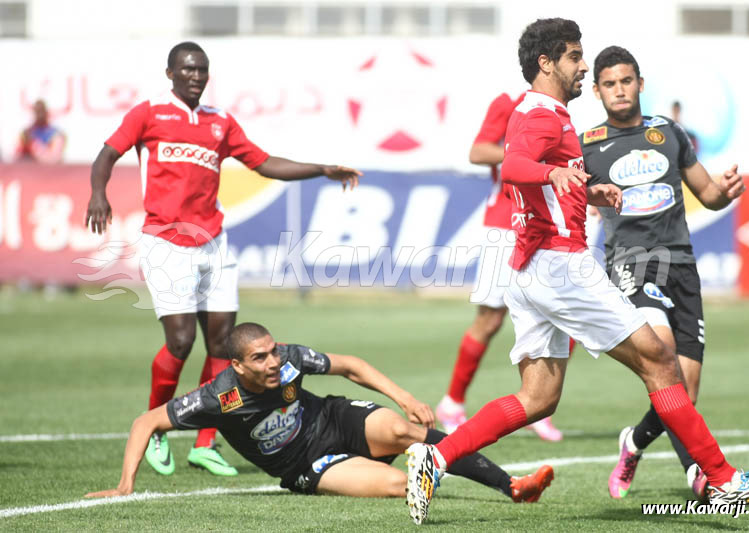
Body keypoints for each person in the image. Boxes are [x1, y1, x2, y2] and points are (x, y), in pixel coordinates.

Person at [404, 18, 749, 525]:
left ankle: (436, 457)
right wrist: (554, 171)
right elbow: (516, 166)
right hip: (560, 265)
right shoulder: (543, 115)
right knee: (660, 360)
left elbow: (534, 174)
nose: (583, 66)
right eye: (574, 56)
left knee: (538, 397)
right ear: (546, 63)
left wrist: (588, 190)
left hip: (528, 268)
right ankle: (723, 480)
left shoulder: (540, 112)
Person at [85, 41, 361, 478]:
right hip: (166, 242)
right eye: (188, 69)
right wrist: (98, 194)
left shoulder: (220, 122)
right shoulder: (149, 114)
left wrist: (321, 169)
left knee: (221, 344)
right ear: (170, 73)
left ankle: (205, 443)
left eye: (202, 69)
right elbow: (106, 155)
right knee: (180, 342)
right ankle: (156, 428)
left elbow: (264, 163)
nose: (196, 76)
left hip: (213, 243)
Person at [85, 322, 554, 503]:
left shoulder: (289, 358)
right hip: (306, 465)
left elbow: (350, 366)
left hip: (333, 419)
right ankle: (417, 472)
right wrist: (126, 484)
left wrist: (406, 397)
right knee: (400, 486)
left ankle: (511, 485)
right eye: (260, 358)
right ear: (237, 367)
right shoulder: (218, 397)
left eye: (273, 351)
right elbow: (146, 421)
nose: (273, 362)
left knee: (404, 429)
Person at [582, 46, 749, 501]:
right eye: (609, 84)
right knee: (666, 357)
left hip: (682, 265)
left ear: (640, 83)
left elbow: (708, 194)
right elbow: (567, 197)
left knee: (684, 394)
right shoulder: (586, 144)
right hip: (632, 264)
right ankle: (700, 474)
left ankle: (633, 443)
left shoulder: (669, 133)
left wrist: (726, 191)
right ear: (597, 91)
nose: (619, 90)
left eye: (626, 81)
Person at [435, 92, 563, 441]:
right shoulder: (510, 101)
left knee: (558, 316)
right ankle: (452, 403)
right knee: (490, 319)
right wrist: (524, 158)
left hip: (546, 225)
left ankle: (538, 402)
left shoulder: (559, 107)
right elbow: (478, 152)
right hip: (505, 225)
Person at [16, 99, 66, 163]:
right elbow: (16, 157)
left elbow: (55, 158)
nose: (40, 114)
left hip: (47, 167)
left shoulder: (56, 135)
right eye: (37, 111)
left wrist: (35, 147)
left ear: (47, 112)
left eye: (42, 111)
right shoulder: (26, 133)